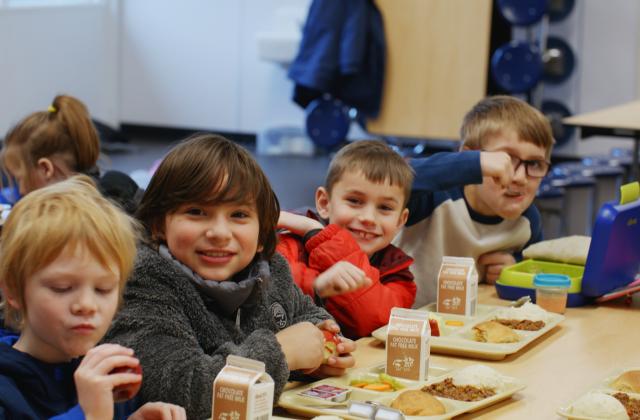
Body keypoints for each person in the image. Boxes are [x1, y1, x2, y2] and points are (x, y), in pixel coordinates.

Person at [103, 133, 356, 419]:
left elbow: (307, 317)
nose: (220, 233)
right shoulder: (142, 282)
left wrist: (321, 348)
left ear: (262, 233)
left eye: (238, 215)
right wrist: (283, 352)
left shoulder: (269, 269)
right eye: (197, 212)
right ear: (159, 224)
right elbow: (184, 391)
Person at [0, 175, 185, 419]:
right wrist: (88, 415)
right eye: (62, 287)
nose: (86, 305)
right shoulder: (6, 388)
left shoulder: (109, 373)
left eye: (103, 289)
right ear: (13, 290)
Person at [393, 95, 555, 307]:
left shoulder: (528, 219)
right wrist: (472, 165)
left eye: (534, 163)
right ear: (471, 157)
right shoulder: (433, 198)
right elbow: (395, 177)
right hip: (402, 329)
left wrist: (514, 267)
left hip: (466, 332)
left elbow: (534, 269)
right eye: (505, 159)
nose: (520, 178)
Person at [277, 140, 416, 339]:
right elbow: (270, 292)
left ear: (400, 220)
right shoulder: (290, 246)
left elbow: (375, 323)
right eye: (354, 201)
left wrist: (316, 231)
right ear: (325, 203)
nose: (368, 218)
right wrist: (316, 286)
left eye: (385, 208)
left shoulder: (398, 274)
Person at [1, 94, 141, 213]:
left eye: (19, 179)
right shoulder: (115, 184)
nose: (21, 191)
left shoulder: (65, 220)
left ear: (45, 169)